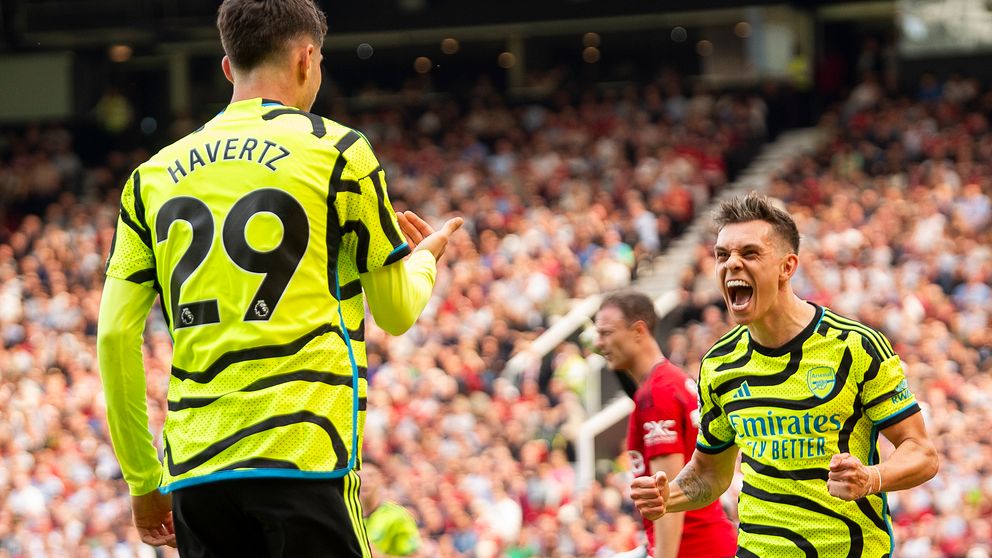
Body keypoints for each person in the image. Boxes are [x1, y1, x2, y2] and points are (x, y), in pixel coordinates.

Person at [96, 1, 462, 556]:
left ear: (227, 66)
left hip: (196, 471)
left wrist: (143, 481)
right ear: (307, 58)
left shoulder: (149, 177)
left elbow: (114, 337)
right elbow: (395, 312)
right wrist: (426, 258)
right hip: (303, 455)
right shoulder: (340, 152)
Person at [630, 192, 938, 556]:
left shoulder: (855, 346)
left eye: (749, 253)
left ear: (787, 267)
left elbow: (922, 453)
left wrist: (871, 478)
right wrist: (670, 495)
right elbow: (710, 473)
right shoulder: (718, 363)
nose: (731, 264)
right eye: (722, 255)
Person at [595, 290, 737, 558]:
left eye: (606, 333)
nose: (598, 342)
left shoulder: (656, 393)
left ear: (638, 331)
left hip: (694, 547)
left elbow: (668, 495)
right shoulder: (669, 380)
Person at [360, 463, 422, 557]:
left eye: (370, 476)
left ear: (381, 479)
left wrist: (377, 556)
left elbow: (416, 556)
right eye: (360, 476)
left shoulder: (397, 515)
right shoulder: (349, 517)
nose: (365, 481)